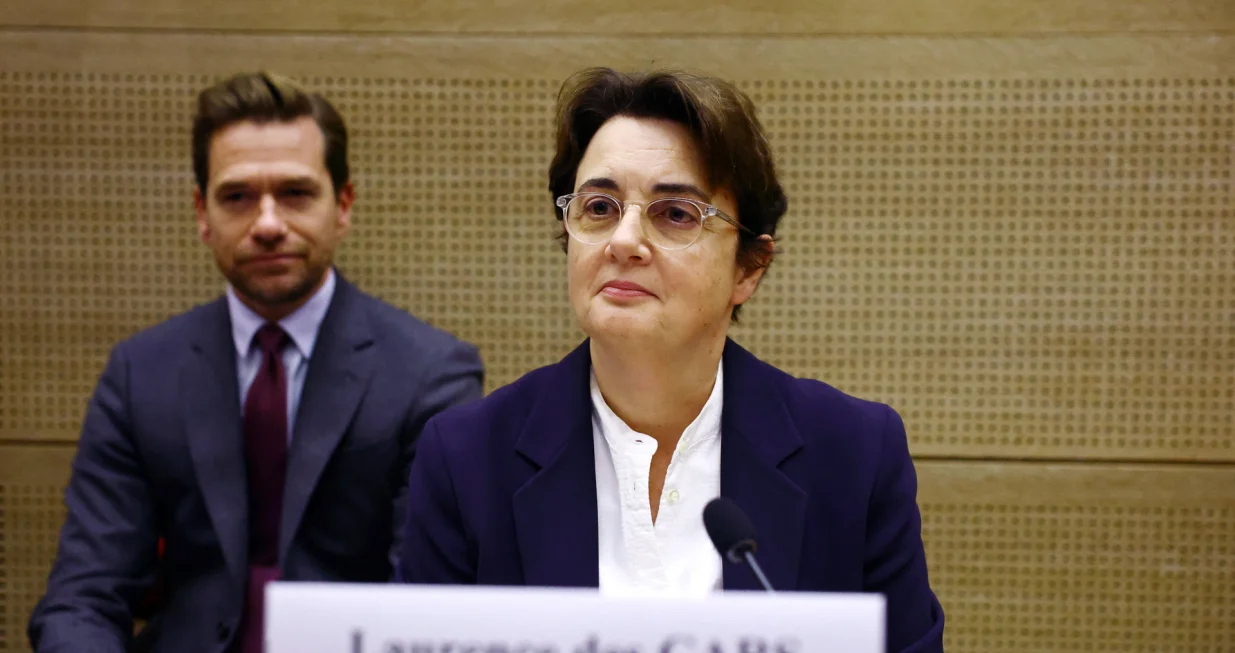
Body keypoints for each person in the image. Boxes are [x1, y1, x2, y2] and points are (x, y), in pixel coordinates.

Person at [394, 67, 944, 652]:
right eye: (599, 207)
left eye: (675, 214)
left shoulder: (854, 454)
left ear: (749, 268)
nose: (623, 241)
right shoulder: (468, 457)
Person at [28, 71, 485, 653]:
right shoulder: (140, 373)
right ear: (201, 213)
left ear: (342, 205)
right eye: (237, 196)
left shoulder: (432, 374)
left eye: (295, 193)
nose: (268, 224)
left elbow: (429, 601)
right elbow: (84, 596)